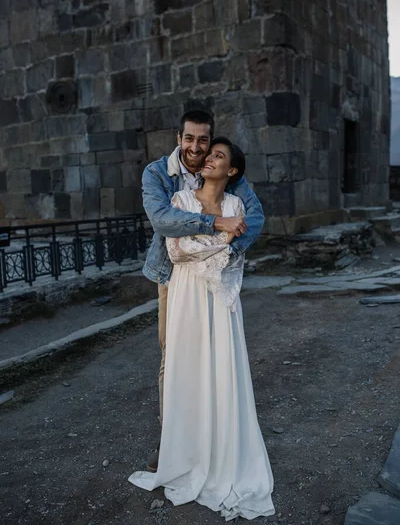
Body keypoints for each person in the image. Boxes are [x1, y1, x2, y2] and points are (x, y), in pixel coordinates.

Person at [129, 137, 275, 521]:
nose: (208, 157)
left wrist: (214, 242)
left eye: (218, 155)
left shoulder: (238, 204)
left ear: (233, 171)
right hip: (186, 294)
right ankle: (185, 451)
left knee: (222, 370)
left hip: (223, 296)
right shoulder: (181, 201)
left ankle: (224, 452)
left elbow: (235, 256)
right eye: (208, 153)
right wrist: (220, 237)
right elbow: (176, 251)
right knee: (187, 367)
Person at [140, 110, 265, 470]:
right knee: (174, 355)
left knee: (218, 355)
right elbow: (164, 222)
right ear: (179, 138)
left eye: (204, 141)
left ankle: (217, 432)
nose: (198, 148)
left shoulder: (225, 174)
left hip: (219, 276)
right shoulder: (158, 173)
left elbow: (252, 217)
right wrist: (217, 225)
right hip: (174, 278)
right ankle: (174, 440)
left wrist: (229, 249)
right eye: (190, 139)